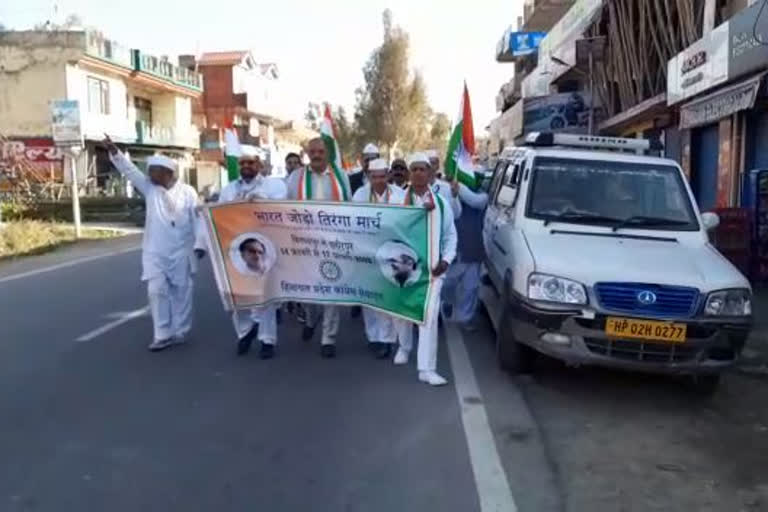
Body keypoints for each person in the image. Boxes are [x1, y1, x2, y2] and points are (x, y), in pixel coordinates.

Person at [103, 136, 206, 352]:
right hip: (155, 251)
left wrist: (200, 244)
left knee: (182, 292)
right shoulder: (150, 189)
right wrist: (115, 153)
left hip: (181, 251)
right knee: (156, 290)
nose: (149, 175)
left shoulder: (188, 193)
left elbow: (198, 221)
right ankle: (162, 334)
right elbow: (130, 171)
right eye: (149, 171)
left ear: (168, 173)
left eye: (154, 171)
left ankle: (180, 330)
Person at [394, 152, 457, 386]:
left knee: (428, 317)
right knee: (401, 313)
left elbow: (451, 236)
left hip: (432, 271)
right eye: (415, 169)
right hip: (403, 269)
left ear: (430, 174)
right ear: (410, 174)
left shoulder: (441, 204)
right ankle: (404, 346)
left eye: (423, 169)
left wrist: (446, 261)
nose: (419, 173)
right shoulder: (397, 203)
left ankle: (427, 369)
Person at [219, 146, 288, 359]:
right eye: (243, 163)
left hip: (263, 247)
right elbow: (219, 213)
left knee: (264, 295)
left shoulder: (274, 185)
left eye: (251, 162)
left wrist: (259, 199)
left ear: (259, 164)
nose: (246, 166)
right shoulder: (229, 189)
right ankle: (245, 333)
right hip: (235, 248)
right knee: (237, 295)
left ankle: (268, 341)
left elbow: (281, 205)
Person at [285, 137, 352, 358]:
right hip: (304, 242)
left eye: (320, 151)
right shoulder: (296, 178)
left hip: (333, 242)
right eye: (312, 151)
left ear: (327, 153)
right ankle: (311, 319)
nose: (316, 155)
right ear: (307, 153)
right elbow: (283, 206)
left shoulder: (341, 177)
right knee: (307, 292)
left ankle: (328, 338)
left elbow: (351, 208)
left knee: (331, 289)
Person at [352, 158, 405, 359]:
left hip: (392, 252)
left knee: (387, 297)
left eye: (383, 176)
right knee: (369, 299)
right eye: (375, 177)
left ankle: (386, 340)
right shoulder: (360, 195)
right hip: (367, 252)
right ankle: (373, 337)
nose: (379, 180)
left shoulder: (400, 195)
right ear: (369, 177)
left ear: (388, 175)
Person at [442, 181, 489, 328]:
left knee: (471, 287)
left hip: (472, 247)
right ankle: (446, 303)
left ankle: (465, 318)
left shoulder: (480, 196)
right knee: (447, 284)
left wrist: (460, 188)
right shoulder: (446, 193)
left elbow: (478, 202)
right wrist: (454, 192)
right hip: (453, 249)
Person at [426, 150, 462, 219]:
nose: (430, 167)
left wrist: (454, 196)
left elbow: (456, 214)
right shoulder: (415, 188)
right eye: (428, 164)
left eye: (433, 163)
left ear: (438, 166)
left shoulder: (447, 187)